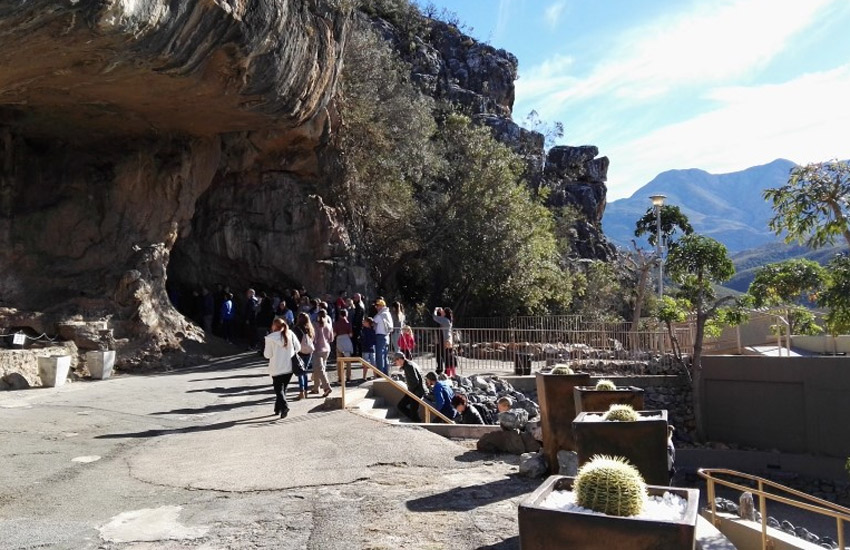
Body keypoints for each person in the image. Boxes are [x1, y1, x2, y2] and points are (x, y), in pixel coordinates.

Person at [263, 317, 299, 418]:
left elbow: (267, 355)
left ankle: (284, 407)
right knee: (283, 389)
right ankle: (277, 408)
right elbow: (298, 347)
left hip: (276, 368)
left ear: (274, 326)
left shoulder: (270, 338)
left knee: (279, 390)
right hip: (289, 366)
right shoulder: (290, 333)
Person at [392, 352, 424, 422]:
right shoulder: (409, 364)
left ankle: (416, 420)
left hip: (416, 392)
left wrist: (410, 392)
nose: (396, 363)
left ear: (399, 359)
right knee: (401, 406)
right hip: (415, 391)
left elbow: (415, 381)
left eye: (395, 361)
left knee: (406, 408)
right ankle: (414, 418)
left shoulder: (408, 366)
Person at [311, 309, 333, 397]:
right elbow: (331, 339)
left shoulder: (315, 325)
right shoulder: (329, 325)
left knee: (320, 369)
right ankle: (316, 388)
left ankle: (327, 387)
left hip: (318, 349)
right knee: (319, 368)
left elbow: (314, 337)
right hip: (327, 349)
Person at [292, 313, 314, 400]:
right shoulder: (310, 328)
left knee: (300, 372)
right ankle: (305, 391)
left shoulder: (296, 329)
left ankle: (301, 391)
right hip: (309, 352)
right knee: (305, 371)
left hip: (300, 352)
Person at [333, 309, 354, 382]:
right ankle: (348, 377)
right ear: (346, 314)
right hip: (347, 340)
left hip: (339, 340)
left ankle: (340, 377)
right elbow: (350, 334)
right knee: (348, 361)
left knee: (339, 360)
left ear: (340, 315)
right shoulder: (348, 323)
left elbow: (334, 334)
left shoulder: (336, 323)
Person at [373, 298, 393, 375]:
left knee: (379, 356)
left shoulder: (380, 315)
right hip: (386, 336)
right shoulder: (388, 314)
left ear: (381, 306)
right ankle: (386, 373)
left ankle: (380, 373)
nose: (376, 307)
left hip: (380, 336)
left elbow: (374, 321)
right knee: (385, 356)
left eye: (377, 305)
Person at [431, 307, 453, 375]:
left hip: (444, 340)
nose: (442, 312)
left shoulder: (444, 320)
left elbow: (434, 317)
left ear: (445, 313)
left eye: (443, 311)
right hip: (445, 339)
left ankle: (445, 370)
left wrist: (435, 310)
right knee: (442, 355)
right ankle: (443, 369)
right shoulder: (447, 319)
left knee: (443, 355)